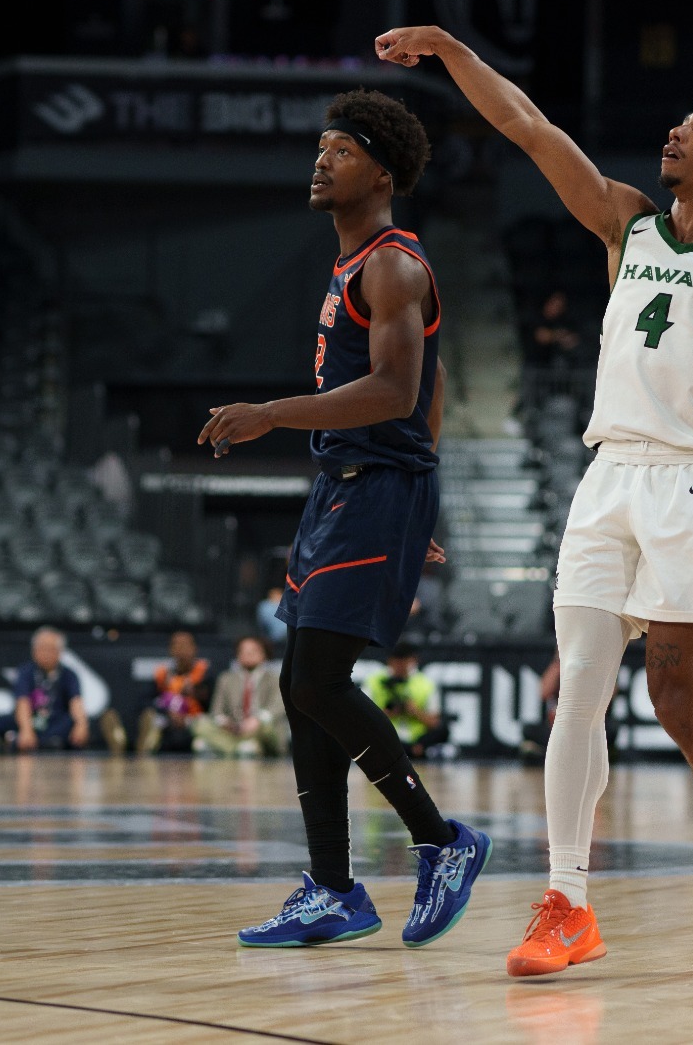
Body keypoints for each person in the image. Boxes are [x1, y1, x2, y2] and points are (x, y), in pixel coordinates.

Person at [376, 24, 693, 975]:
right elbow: (529, 127)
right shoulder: (627, 223)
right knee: (578, 694)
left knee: (677, 705)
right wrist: (450, 50)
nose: (676, 134)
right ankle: (567, 903)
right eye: (679, 122)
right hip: (607, 473)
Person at [191, 87, 489, 952]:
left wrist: (273, 414)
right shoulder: (350, 265)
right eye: (320, 147)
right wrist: (418, 478)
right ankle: (332, 890)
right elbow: (425, 393)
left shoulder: (394, 263)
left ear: (382, 173)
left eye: (342, 150)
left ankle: (442, 843)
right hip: (350, 489)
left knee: (317, 682)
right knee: (298, 688)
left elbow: (396, 390)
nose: (321, 160)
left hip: (375, 488)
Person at [193, 635, 287, 757]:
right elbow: (216, 711)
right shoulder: (226, 679)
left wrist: (257, 720)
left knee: (267, 727)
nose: (248, 654)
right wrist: (224, 722)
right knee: (199, 724)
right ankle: (242, 748)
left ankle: (223, 746)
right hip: (235, 729)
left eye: (253, 651)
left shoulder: (274, 679)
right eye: (243, 651)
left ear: (263, 654)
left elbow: (278, 707)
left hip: (260, 728)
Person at [129, 630, 211, 755]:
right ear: (170, 649)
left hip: (193, 722)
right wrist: (167, 712)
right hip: (168, 722)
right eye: (176, 645)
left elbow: (214, 704)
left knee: (204, 725)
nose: (181, 649)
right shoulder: (163, 675)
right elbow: (145, 702)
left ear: (194, 648)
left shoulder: (205, 674)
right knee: (150, 718)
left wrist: (196, 694)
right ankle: (141, 742)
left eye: (185, 645)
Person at [361, 642, 448, 759]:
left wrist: (415, 711)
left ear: (413, 661)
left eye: (404, 661)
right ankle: (411, 750)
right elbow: (363, 720)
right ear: (390, 661)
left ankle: (414, 748)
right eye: (397, 662)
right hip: (387, 735)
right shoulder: (374, 681)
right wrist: (388, 712)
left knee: (443, 730)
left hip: (416, 737)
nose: (400, 666)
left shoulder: (426, 683)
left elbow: (434, 722)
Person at [9, 627, 89, 752]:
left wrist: (81, 725)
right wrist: (26, 729)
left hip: (55, 720)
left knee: (71, 722)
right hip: (32, 719)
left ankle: (47, 742)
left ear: (60, 652)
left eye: (51, 649)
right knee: (5, 721)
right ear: (34, 651)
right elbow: (22, 702)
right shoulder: (25, 672)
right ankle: (43, 742)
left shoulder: (69, 674)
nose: (46, 653)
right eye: (42, 648)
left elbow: (76, 702)